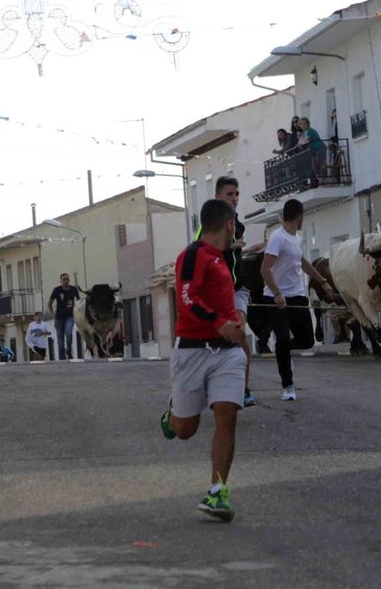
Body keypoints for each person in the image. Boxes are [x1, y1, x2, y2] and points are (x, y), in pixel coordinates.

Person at [160, 197, 248, 522]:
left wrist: (235, 321)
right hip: (192, 351)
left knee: (227, 416)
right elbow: (186, 299)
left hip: (227, 354)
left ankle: (218, 492)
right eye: (234, 225)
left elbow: (224, 301)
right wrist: (218, 322)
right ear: (227, 224)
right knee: (185, 430)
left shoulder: (224, 259)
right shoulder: (193, 255)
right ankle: (173, 415)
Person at [199, 176, 265, 407]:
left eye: (237, 194)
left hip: (237, 288)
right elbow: (203, 251)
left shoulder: (239, 225)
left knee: (238, 330)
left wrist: (247, 251)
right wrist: (230, 246)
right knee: (214, 340)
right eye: (230, 194)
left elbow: (233, 258)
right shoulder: (208, 225)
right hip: (215, 291)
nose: (235, 198)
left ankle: (244, 390)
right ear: (218, 196)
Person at [259, 198, 333, 401]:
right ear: (299, 217)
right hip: (275, 299)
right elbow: (264, 269)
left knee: (308, 340)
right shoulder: (278, 238)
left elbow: (302, 262)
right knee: (282, 337)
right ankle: (287, 386)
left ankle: (283, 350)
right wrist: (277, 293)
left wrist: (322, 280)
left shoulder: (296, 238)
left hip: (297, 296)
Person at [48, 274, 80, 360]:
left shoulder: (73, 289)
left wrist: (78, 313)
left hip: (70, 316)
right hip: (59, 318)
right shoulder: (57, 290)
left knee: (69, 333)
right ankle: (62, 358)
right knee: (60, 340)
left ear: (69, 280)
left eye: (67, 279)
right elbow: (50, 302)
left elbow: (79, 302)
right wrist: (52, 313)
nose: (66, 281)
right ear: (61, 281)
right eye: (64, 279)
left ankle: (69, 351)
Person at [297, 117, 326, 184]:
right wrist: (299, 143)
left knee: (321, 164)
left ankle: (324, 180)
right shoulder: (304, 132)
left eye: (304, 124)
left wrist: (300, 143)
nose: (303, 126)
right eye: (301, 124)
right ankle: (319, 180)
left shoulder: (310, 131)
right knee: (314, 166)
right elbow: (300, 142)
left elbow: (305, 141)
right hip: (313, 151)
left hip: (319, 148)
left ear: (308, 124)